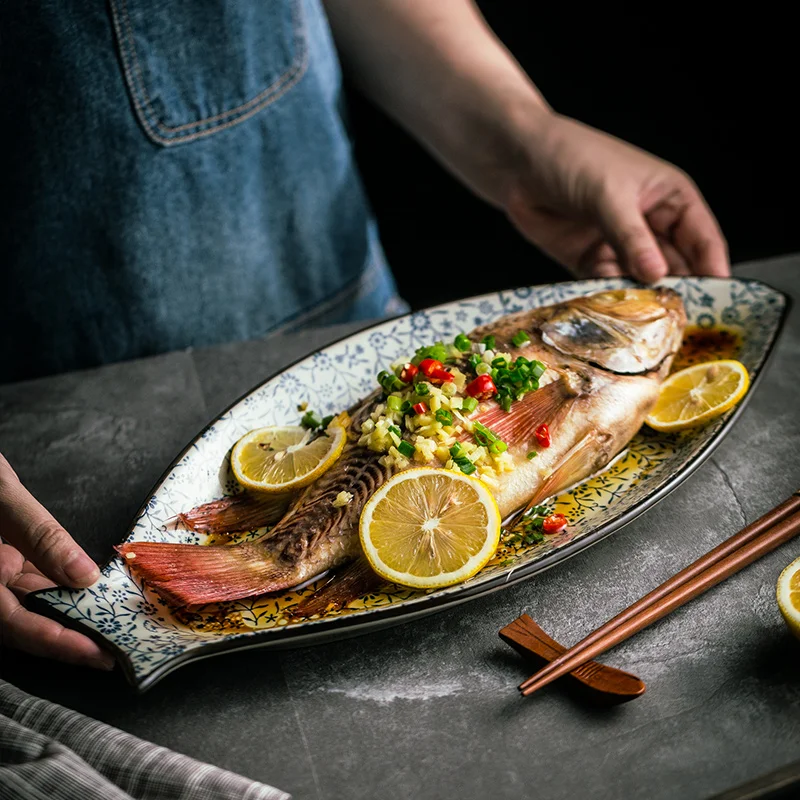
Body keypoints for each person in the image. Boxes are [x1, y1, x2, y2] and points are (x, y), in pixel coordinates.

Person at [0, 1, 729, 670]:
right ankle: (268, 558)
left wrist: (525, 133)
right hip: (52, 422)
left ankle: (282, 554)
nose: (652, 303)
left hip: (336, 287)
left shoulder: (577, 369)